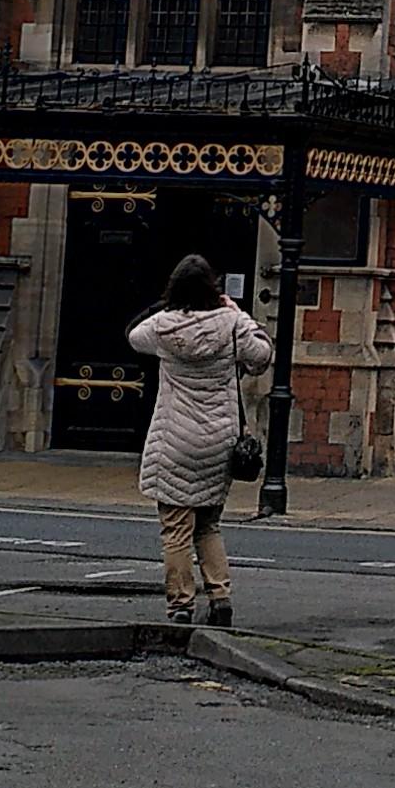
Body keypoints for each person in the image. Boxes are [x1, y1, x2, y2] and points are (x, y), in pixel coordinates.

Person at [129, 254, 273, 626]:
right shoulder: (230, 323)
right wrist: (238, 313)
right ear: (213, 288)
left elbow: (133, 335)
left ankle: (181, 605)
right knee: (208, 525)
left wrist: (167, 305)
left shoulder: (162, 326)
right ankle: (220, 598)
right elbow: (262, 356)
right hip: (217, 443)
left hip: (173, 441)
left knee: (176, 530)